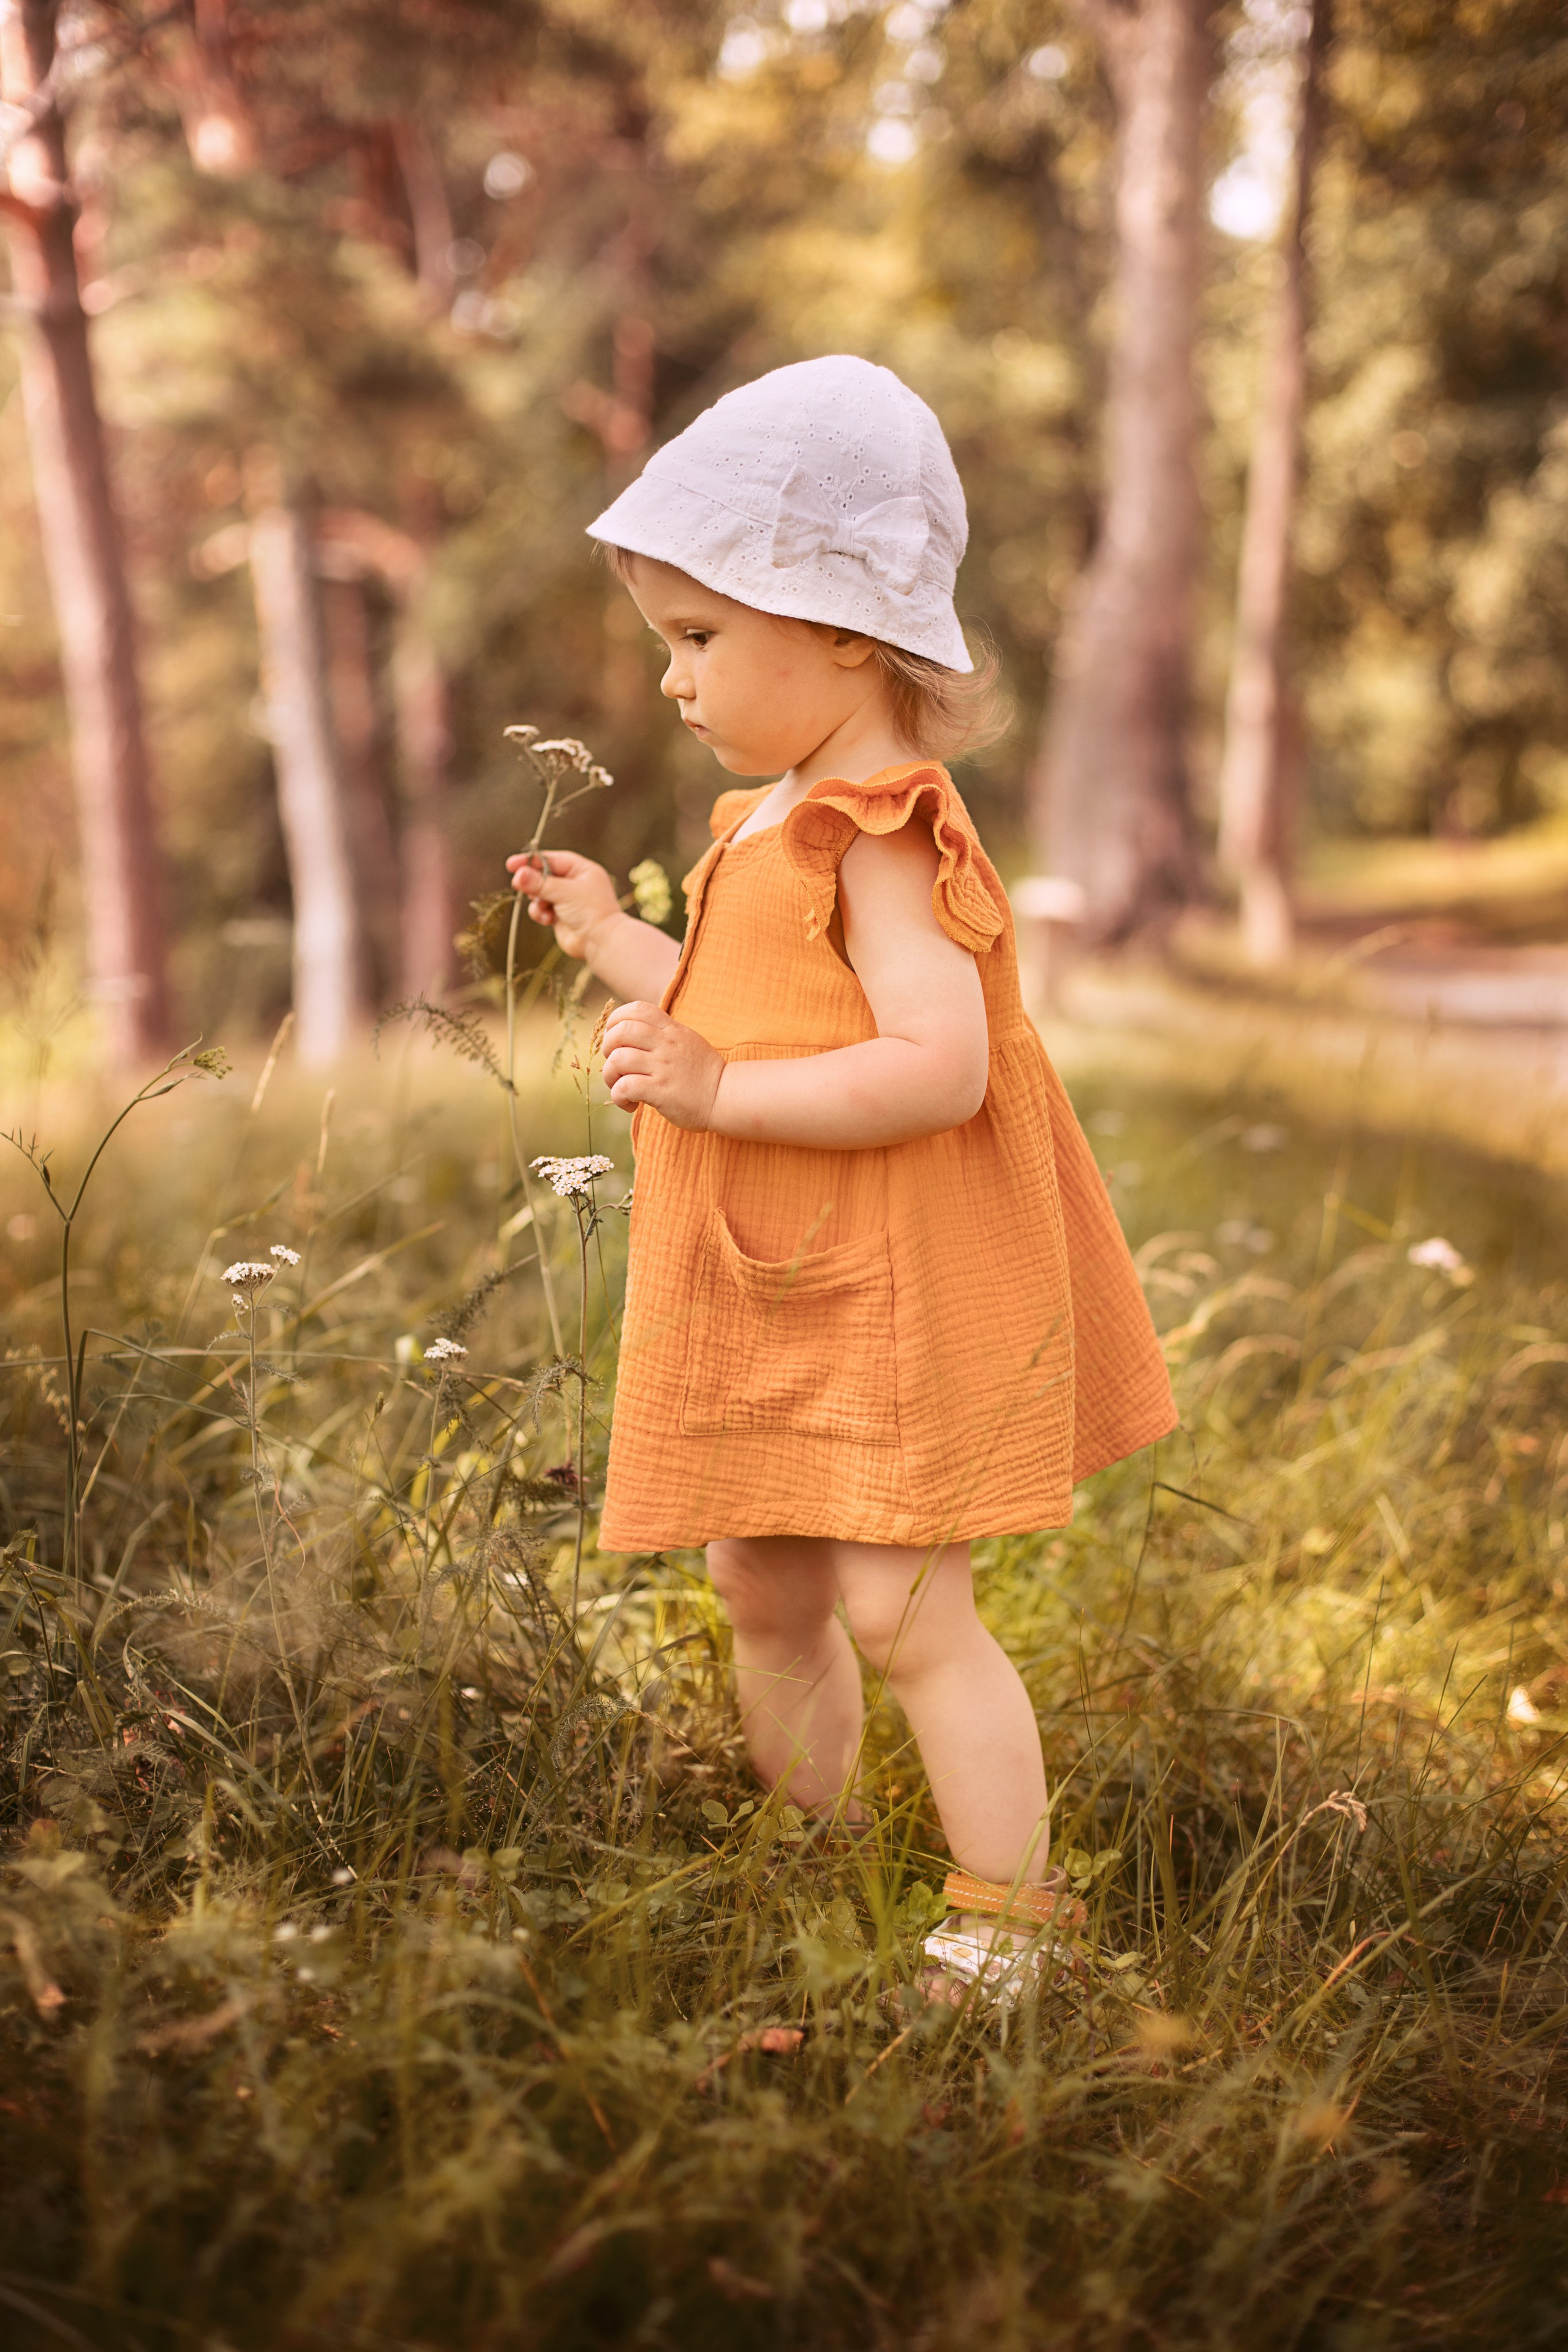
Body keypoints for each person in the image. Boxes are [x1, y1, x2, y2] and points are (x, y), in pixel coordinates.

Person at [507, 356, 1175, 2003]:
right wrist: (619, 949)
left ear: (844, 632)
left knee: (901, 1605)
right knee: (765, 1577)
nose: (672, 682)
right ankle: (802, 1860)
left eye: (700, 639)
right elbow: (745, 1007)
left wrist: (719, 1087)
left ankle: (1013, 1924)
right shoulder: (763, 819)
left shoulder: (878, 830)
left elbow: (935, 1065)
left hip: (885, 1287)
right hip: (775, 1280)